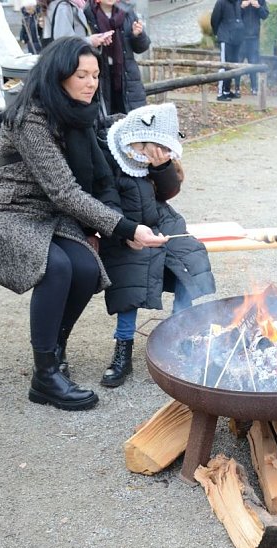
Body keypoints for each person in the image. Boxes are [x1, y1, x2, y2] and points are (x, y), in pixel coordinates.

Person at [0, 37, 170, 411]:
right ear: (58, 75)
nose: (91, 83)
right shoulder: (30, 117)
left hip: (50, 216)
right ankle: (45, 377)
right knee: (58, 267)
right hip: (6, 212)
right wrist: (126, 228)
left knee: (85, 268)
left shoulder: (80, 114)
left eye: (95, 75)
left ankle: (55, 348)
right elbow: (64, 191)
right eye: (82, 75)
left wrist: (148, 141)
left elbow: (99, 170)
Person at [94, 104, 215, 386]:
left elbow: (169, 192)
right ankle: (123, 347)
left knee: (190, 260)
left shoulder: (154, 156)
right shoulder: (109, 154)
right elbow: (105, 201)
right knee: (130, 276)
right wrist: (126, 233)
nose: (161, 152)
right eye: (157, 148)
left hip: (161, 219)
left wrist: (162, 168)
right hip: (122, 226)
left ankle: (180, 333)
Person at [85, 0, 151, 115]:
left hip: (127, 77)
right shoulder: (87, 14)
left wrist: (138, 35)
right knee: (104, 118)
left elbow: (141, 48)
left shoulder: (127, 13)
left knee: (132, 118)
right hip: (99, 76)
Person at [43, 0, 113, 49]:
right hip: (69, 62)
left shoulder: (74, 4)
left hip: (75, 58)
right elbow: (63, 42)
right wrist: (90, 41)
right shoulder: (63, 6)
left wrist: (97, 39)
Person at [211, 0, 245, 101]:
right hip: (225, 38)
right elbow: (214, 19)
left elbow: (239, 18)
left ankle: (227, 90)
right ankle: (220, 93)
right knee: (224, 65)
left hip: (236, 40)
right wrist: (218, 33)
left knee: (232, 66)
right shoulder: (221, 2)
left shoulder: (237, 2)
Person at [240, 0, 269, 95]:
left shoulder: (260, 1)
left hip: (254, 38)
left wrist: (258, 7)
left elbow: (265, 15)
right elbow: (233, 15)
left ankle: (254, 87)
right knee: (238, 63)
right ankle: (236, 88)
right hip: (240, 37)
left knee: (253, 63)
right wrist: (241, 7)